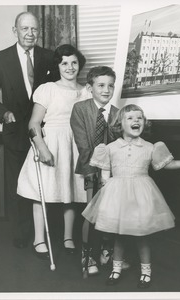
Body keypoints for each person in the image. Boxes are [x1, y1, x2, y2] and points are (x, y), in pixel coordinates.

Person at [82, 104, 180, 287]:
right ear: (120, 124)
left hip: (141, 195)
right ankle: (116, 268)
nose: (136, 121)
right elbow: (105, 173)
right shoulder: (110, 148)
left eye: (139, 118)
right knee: (119, 234)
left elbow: (167, 164)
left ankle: (146, 271)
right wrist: (106, 194)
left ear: (144, 122)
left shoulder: (150, 147)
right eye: (130, 118)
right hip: (118, 194)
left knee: (142, 236)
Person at [0, 12, 56, 249]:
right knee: (19, 184)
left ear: (38, 32)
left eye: (34, 30)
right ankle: (22, 235)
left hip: (45, 132)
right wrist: (4, 113)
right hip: (15, 132)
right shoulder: (1, 58)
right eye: (25, 29)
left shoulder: (50, 57)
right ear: (15, 31)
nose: (30, 34)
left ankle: (45, 235)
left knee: (47, 182)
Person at [17, 44, 91, 259]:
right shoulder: (48, 89)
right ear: (58, 65)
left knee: (71, 192)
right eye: (64, 63)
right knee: (42, 193)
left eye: (74, 62)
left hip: (75, 144)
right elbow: (34, 123)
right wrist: (42, 148)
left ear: (80, 64)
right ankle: (39, 238)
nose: (70, 67)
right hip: (50, 143)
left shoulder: (86, 91)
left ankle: (68, 236)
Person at [70, 66, 123, 276]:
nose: (106, 90)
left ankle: (106, 250)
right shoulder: (80, 109)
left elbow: (119, 143)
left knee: (111, 212)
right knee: (92, 213)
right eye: (101, 85)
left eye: (110, 85)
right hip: (91, 167)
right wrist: (92, 169)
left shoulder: (118, 113)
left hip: (113, 172)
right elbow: (82, 143)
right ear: (90, 87)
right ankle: (87, 253)